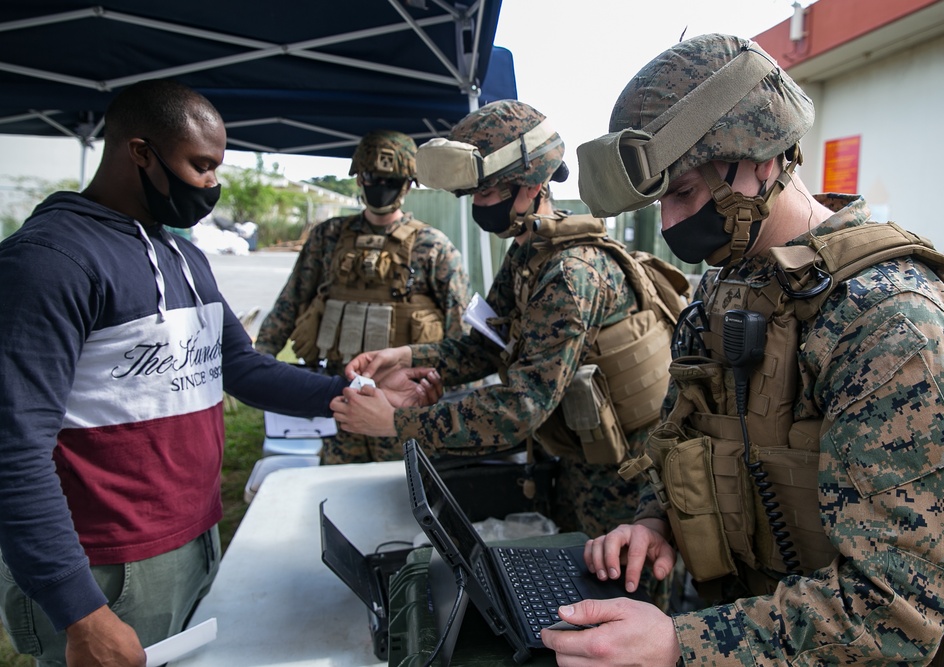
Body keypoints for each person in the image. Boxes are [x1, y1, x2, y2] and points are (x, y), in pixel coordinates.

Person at [542, 33, 944, 665]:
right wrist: (655, 523)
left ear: (762, 158)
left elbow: (896, 612)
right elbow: (688, 438)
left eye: (686, 193)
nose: (672, 225)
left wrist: (682, 645)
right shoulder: (724, 290)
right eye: (662, 200)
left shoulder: (891, 323)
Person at [0, 79, 437, 667]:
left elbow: (241, 367)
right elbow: (13, 449)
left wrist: (352, 390)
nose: (212, 184)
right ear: (140, 152)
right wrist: (80, 609)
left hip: (195, 538)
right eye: (201, 165)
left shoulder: (183, 255)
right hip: (107, 566)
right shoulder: (51, 263)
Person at [332, 99, 688, 538]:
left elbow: (520, 407)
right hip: (579, 452)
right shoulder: (528, 251)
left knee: (621, 595)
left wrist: (394, 423)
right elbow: (486, 345)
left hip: (628, 479)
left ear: (530, 184)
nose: (477, 206)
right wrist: (404, 355)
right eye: (473, 195)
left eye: (486, 193)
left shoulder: (569, 274)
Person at [255, 129, 472, 463]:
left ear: (409, 183)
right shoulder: (328, 237)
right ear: (358, 179)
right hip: (340, 390)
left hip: (404, 401)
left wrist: (449, 402)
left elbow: (460, 332)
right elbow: (291, 302)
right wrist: (260, 365)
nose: (378, 186)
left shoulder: (434, 246)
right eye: (371, 177)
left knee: (403, 491)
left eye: (391, 179)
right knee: (338, 489)